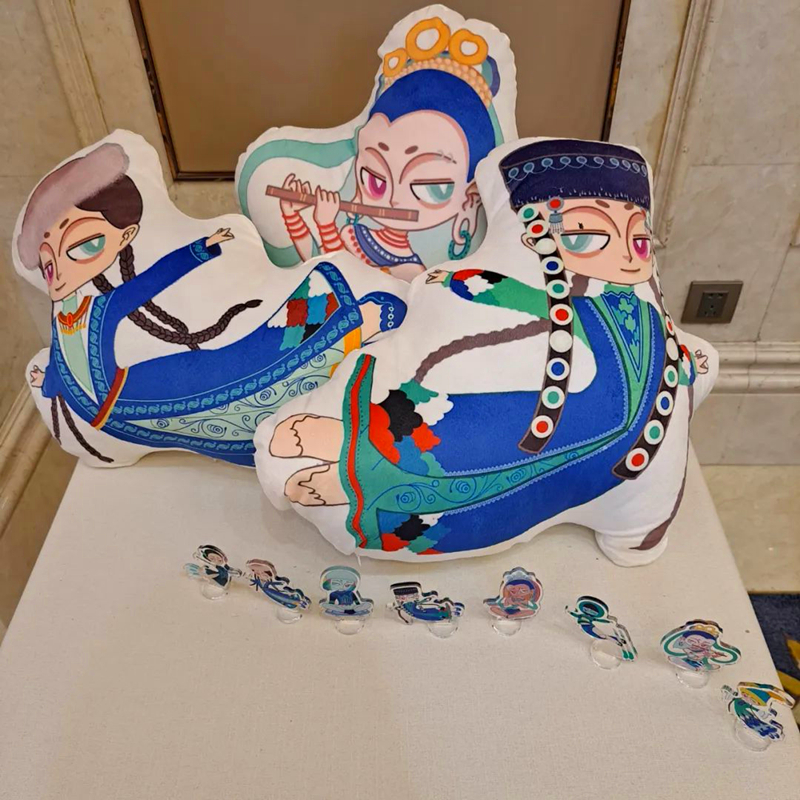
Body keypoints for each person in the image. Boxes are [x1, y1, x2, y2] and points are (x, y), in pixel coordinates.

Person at [268, 139, 710, 557]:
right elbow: (528, 300)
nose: (629, 257)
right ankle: (351, 451)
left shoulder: (636, 310)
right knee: (459, 415)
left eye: (638, 241)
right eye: (585, 237)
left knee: (478, 449)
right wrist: (470, 285)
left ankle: (357, 473)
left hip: (615, 435)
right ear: (536, 237)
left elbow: (675, 358)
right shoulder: (580, 303)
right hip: (572, 411)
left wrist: (696, 364)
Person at [20, 142, 406, 466]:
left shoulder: (103, 309)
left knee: (225, 367)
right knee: (216, 378)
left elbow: (150, 282)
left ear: (126, 236)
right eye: (50, 265)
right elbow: (66, 365)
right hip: (114, 407)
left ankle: (351, 319)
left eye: (85, 245)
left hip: (130, 392)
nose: (63, 271)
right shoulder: (71, 315)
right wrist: (47, 380)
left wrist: (201, 250)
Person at [239, 17, 507, 279]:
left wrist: (326, 224)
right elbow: (315, 264)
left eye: (431, 188)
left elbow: (350, 283)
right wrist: (292, 215)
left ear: (470, 196)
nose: (394, 200)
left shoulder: (412, 270)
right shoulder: (353, 234)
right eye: (375, 181)